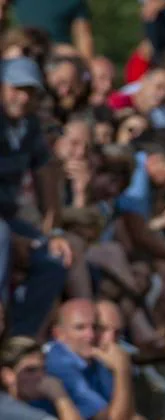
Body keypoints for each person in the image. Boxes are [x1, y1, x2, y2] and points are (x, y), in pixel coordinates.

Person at [1, 57, 75, 339]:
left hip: (9, 218)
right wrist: (14, 239)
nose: (22, 97)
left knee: (54, 259)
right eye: (15, 88)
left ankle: (20, 339)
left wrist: (54, 230)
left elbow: (46, 174)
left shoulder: (30, 126)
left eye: (29, 92)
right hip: (3, 227)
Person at [0, 336, 90, 420]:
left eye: (43, 369)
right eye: (30, 370)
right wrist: (59, 395)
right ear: (7, 376)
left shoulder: (32, 404)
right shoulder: (9, 408)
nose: (40, 376)